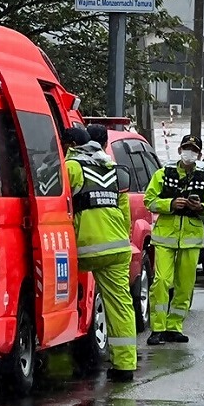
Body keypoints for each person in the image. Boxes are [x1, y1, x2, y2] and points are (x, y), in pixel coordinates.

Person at [63, 125, 138, 382]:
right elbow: (125, 211)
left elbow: (54, 199)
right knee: (120, 305)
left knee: (60, 295)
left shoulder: (71, 168)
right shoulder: (112, 169)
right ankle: (125, 365)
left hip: (84, 249)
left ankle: (66, 349)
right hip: (118, 247)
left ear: (70, 146)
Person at [143, 134, 204, 345]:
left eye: (193, 150)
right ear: (179, 150)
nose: (189, 153)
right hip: (165, 238)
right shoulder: (162, 174)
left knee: (185, 285)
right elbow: (149, 200)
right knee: (161, 282)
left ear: (199, 154)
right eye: (186, 148)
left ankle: (174, 326)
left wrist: (200, 207)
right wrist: (170, 204)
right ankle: (157, 328)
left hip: (191, 239)